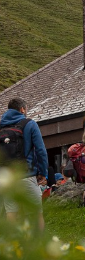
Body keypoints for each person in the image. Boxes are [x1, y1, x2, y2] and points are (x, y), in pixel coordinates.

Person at [0, 97, 48, 233]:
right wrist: (42, 173)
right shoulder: (30, 124)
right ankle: (39, 242)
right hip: (26, 175)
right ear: (22, 109)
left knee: (11, 214)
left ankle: (12, 243)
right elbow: (41, 151)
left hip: (7, 179)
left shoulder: (1, 127)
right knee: (36, 213)